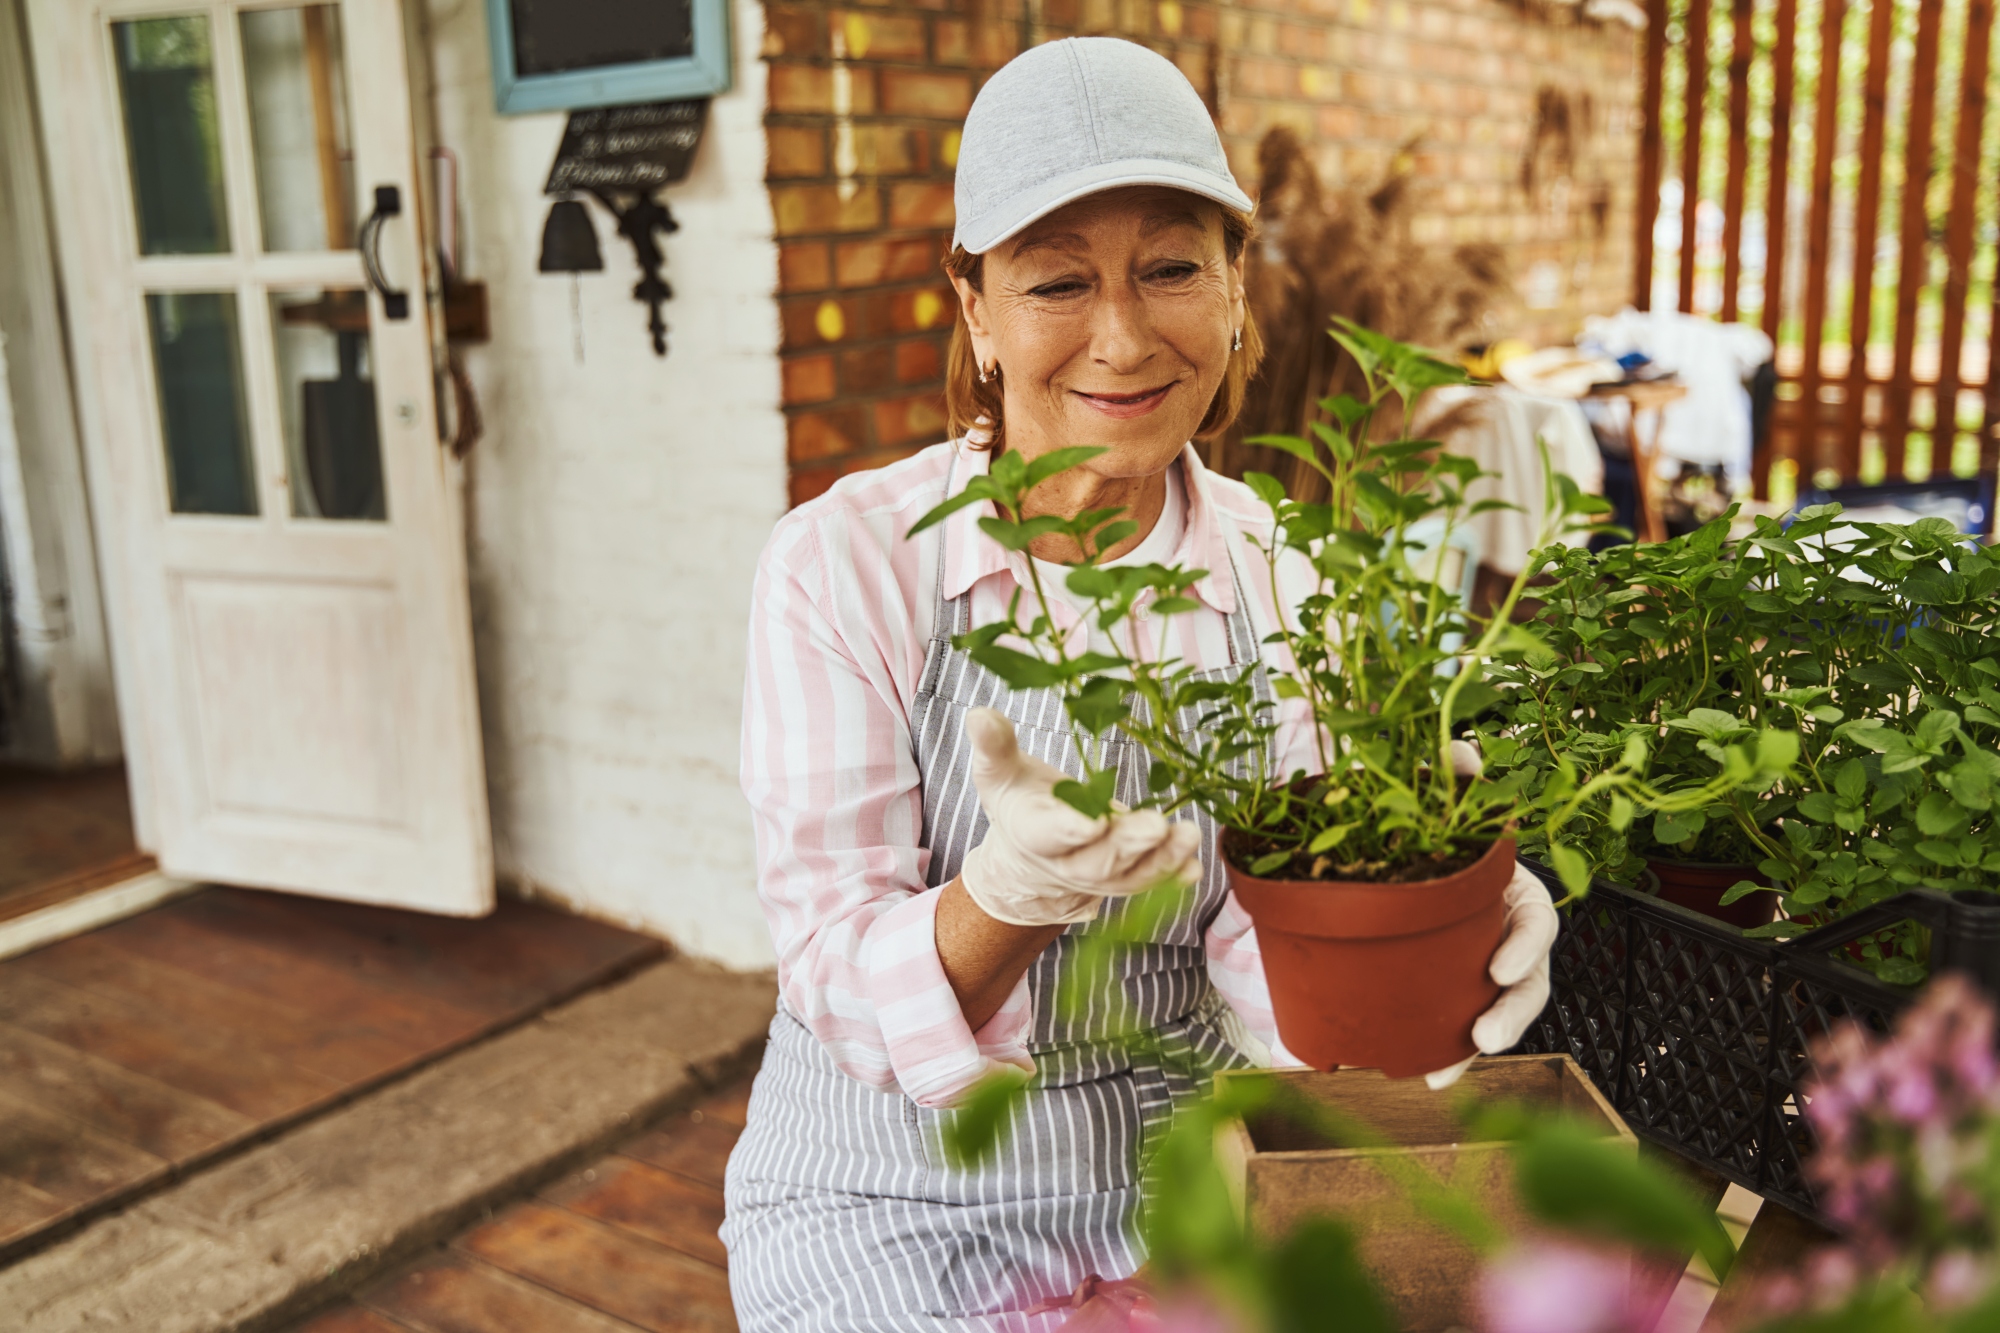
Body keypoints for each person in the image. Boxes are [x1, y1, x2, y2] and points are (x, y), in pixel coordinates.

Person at [723, 37, 1558, 1330]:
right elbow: (835, 974)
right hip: (891, 1197)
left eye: (1171, 266)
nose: (1122, 336)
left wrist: (1436, 923)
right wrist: (1010, 894)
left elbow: (1261, 962)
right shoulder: (844, 566)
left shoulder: (1270, 563)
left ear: (1235, 286)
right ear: (978, 311)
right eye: (1058, 280)